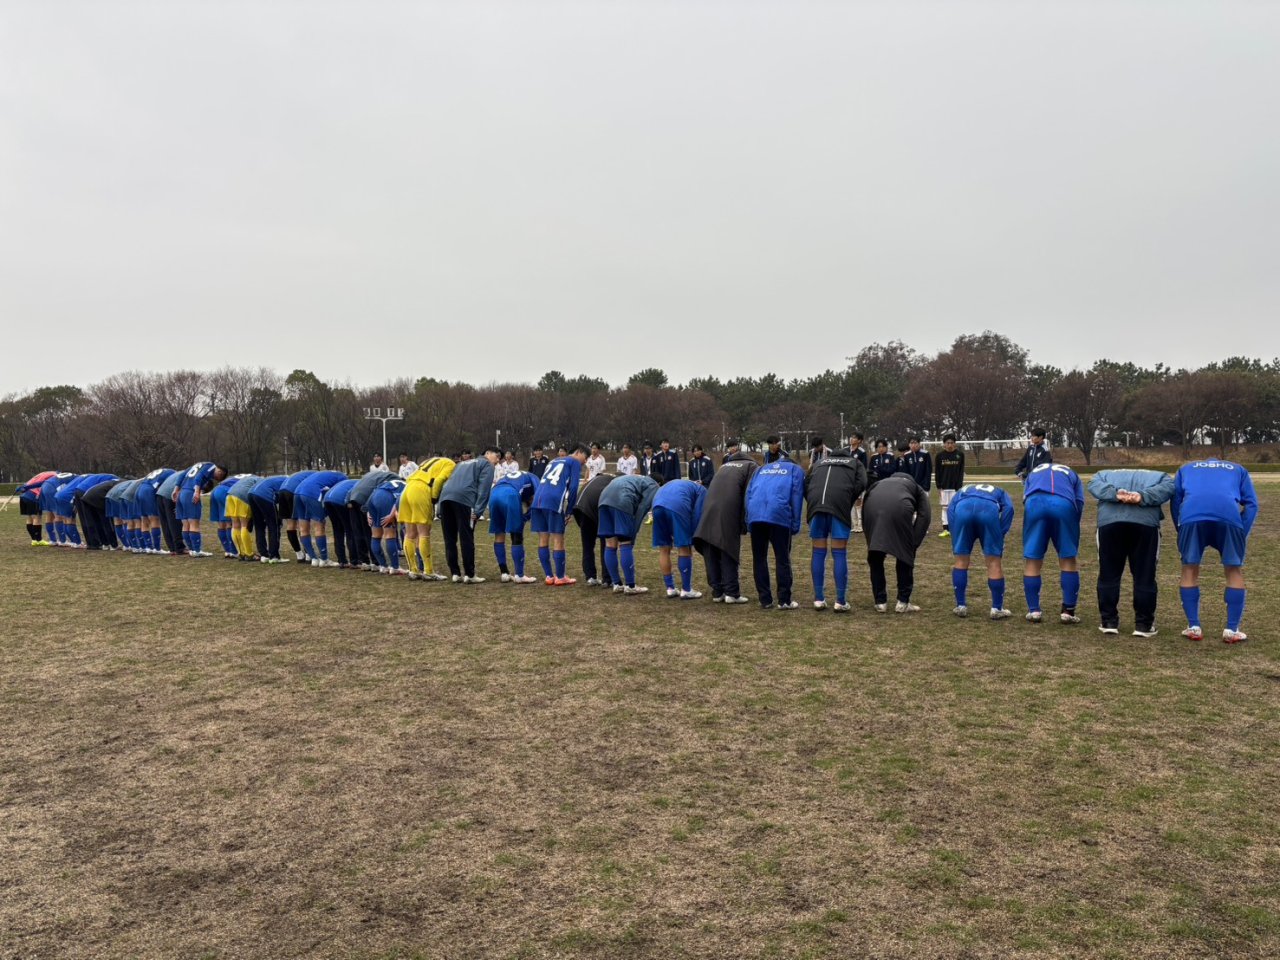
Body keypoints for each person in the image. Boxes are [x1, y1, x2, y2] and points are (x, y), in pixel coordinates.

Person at [1170, 458, 1258, 643]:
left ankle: (1194, 627)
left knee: (1189, 568)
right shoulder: (1238, 469)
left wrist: (1180, 526)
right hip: (1228, 517)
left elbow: (1175, 500)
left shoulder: (1185, 468)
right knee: (1233, 569)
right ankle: (1231, 629)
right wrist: (1242, 530)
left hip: (1192, 517)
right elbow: (1251, 504)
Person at [1088, 468, 1175, 637]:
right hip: (1145, 524)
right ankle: (1143, 625)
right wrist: (1142, 496)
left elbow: (1093, 485)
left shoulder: (1103, 474)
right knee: (1145, 575)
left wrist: (1116, 494)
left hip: (1110, 522)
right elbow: (1168, 489)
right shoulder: (1161, 476)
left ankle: (1108, 621)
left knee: (1108, 573)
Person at [1021, 462, 1086, 624]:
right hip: (1063, 504)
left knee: (1033, 559)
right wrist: (1072, 525)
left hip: (1035, 503)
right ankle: (1068, 611)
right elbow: (1079, 501)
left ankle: (1034, 611)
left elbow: (1025, 498)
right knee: (1068, 558)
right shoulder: (1071, 472)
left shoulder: (1033, 472)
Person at [693, 440, 756, 603]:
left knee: (711, 549)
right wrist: (745, 522)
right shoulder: (751, 467)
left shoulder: (724, 466)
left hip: (708, 510)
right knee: (728, 549)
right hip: (729, 511)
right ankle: (732, 593)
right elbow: (749, 494)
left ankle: (717, 591)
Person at [805, 450, 868, 612]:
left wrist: (812, 500)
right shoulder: (855, 463)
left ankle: (819, 599)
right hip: (839, 505)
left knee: (818, 552)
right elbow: (862, 482)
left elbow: (806, 483)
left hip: (816, 505)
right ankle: (840, 601)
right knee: (839, 553)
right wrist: (848, 499)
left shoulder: (819, 463)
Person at [863, 473, 931, 613]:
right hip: (900, 508)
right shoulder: (916, 487)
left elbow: (865, 505)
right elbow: (925, 515)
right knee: (904, 557)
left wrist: (871, 540)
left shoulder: (878, 483)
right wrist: (913, 543)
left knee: (875, 557)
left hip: (871, 509)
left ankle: (880, 602)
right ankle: (903, 602)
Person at [745, 455, 806, 609]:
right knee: (782, 558)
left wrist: (748, 519)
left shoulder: (760, 469)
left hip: (755, 514)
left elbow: (748, 493)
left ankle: (765, 599)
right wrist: (795, 523)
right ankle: (784, 600)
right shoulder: (795, 470)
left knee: (759, 558)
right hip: (779, 515)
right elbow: (797, 495)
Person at [947, 483, 1015, 620]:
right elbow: (1009, 508)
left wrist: (955, 532)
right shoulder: (1000, 491)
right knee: (993, 562)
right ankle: (996, 608)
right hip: (988, 510)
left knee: (961, 560)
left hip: (963, 509)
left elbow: (950, 509)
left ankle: (960, 605)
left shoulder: (963, 489)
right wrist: (1001, 532)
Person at [438, 447, 499, 583]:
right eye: (497, 456)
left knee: (449, 538)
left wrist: (439, 506)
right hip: (464, 499)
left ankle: (455, 573)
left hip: (446, 498)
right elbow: (484, 488)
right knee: (466, 537)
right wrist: (478, 510)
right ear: (487, 453)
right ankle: (469, 575)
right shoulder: (486, 464)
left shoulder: (461, 463)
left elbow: (448, 482)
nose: (497, 460)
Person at [530, 444, 588, 585]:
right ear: (578, 452)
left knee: (543, 538)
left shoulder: (553, 460)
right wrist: (570, 510)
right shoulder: (574, 462)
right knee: (558, 538)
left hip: (537, 499)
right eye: (585, 457)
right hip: (553, 500)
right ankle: (561, 577)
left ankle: (549, 576)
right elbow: (573, 487)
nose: (585, 461)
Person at [597, 473, 660, 595]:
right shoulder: (654, 485)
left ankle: (616, 583)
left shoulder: (637, 478)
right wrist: (633, 531)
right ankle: (630, 586)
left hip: (603, 499)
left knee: (610, 543)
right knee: (625, 542)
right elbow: (643, 507)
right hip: (622, 499)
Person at [399, 456, 456, 581]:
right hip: (421, 490)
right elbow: (439, 480)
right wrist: (434, 498)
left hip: (407, 488)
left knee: (410, 533)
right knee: (424, 532)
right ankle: (428, 571)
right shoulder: (451, 464)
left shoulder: (431, 460)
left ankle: (413, 570)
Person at [651, 478, 707, 599]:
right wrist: (693, 534)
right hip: (678, 505)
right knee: (684, 547)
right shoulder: (702, 490)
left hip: (656, 505)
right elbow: (698, 514)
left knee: (664, 549)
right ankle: (686, 589)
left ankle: (670, 588)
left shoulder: (679, 484)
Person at [489, 470, 539, 583]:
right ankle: (519, 575)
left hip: (494, 493)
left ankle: (504, 573)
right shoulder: (534, 478)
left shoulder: (514, 476)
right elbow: (537, 498)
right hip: (510, 494)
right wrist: (527, 516)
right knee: (517, 535)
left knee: (499, 533)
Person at [294, 469, 348, 568]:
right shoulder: (343, 478)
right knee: (319, 527)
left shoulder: (328, 474)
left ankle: (313, 558)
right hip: (311, 492)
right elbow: (337, 494)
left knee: (303, 528)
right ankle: (324, 559)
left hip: (297, 492)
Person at [175, 461, 229, 557]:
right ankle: (197, 550)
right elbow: (199, 477)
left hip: (182, 493)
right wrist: (196, 492)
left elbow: (182, 475)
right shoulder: (211, 466)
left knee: (185, 523)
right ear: (220, 471)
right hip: (191, 493)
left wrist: (176, 490)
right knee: (194, 522)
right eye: (219, 476)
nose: (217, 478)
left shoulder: (197, 465)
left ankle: (191, 549)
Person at [572, 471, 615, 587]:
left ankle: (590, 576)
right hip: (595, 509)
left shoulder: (596, 480)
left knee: (587, 545)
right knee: (607, 544)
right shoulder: (612, 482)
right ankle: (607, 578)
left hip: (580, 509)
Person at [365, 476, 408, 575]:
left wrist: (369, 512)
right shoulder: (407, 486)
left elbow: (374, 495)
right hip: (385, 499)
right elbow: (399, 500)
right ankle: (395, 567)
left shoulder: (389, 483)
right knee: (390, 534)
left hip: (373, 497)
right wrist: (391, 515)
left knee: (375, 535)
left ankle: (383, 566)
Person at [247, 474, 289, 563]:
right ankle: (274, 556)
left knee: (259, 526)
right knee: (274, 525)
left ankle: (264, 555)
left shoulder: (278, 478)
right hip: (264, 494)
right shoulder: (288, 482)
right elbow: (284, 499)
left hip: (251, 493)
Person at [135, 467, 176, 553]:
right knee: (154, 519)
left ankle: (148, 547)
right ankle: (157, 549)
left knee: (144, 519)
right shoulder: (173, 474)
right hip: (149, 491)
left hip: (139, 490)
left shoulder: (163, 471)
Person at [225, 474, 262, 561]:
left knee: (235, 525)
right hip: (242, 497)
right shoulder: (261, 480)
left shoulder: (247, 479)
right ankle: (249, 554)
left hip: (229, 495)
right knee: (244, 525)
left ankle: (241, 553)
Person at [934, 435, 965, 538]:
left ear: (954, 443)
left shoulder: (960, 455)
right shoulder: (939, 456)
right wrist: (938, 486)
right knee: (945, 508)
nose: (950, 445)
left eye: (952, 443)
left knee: (956, 507)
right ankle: (946, 529)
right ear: (944, 444)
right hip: (944, 486)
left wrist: (959, 485)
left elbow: (961, 471)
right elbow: (937, 472)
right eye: (948, 443)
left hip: (955, 487)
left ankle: (955, 528)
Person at [839, 433, 870, 533]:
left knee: (858, 502)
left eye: (854, 438)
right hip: (847, 480)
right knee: (850, 502)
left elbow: (863, 468)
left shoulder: (862, 452)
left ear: (859, 440)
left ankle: (860, 525)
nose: (852, 439)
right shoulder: (845, 450)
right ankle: (854, 524)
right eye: (851, 437)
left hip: (856, 481)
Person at [16, 471, 57, 545]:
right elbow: (43, 484)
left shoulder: (42, 474)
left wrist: (23, 487)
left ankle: (34, 540)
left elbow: (30, 482)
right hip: (33, 496)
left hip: (24, 496)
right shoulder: (54, 475)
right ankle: (39, 540)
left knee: (29, 518)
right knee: (37, 518)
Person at [36, 472, 77, 546]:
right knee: (58, 515)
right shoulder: (78, 479)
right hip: (52, 488)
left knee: (49, 514)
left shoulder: (74, 476)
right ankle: (63, 541)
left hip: (45, 486)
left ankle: (53, 540)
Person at [154, 467, 186, 554]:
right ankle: (179, 547)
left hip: (159, 494)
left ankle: (172, 548)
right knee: (174, 521)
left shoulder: (177, 473)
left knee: (165, 522)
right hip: (170, 495)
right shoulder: (189, 475)